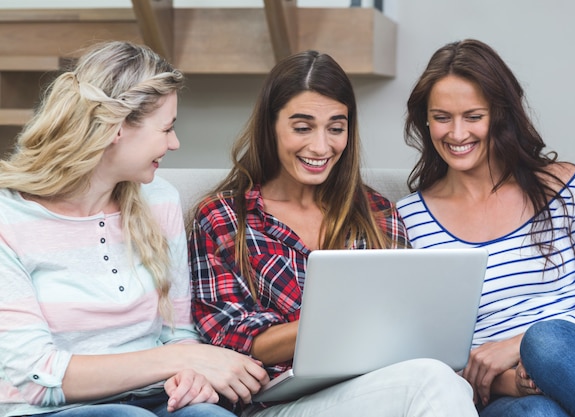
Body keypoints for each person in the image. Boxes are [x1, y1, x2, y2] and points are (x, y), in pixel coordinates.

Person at [188, 49, 478, 417]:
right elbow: (231, 338)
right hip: (279, 402)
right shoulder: (225, 218)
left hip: (377, 385)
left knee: (441, 378)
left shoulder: (375, 213)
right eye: (302, 127)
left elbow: (409, 326)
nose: (321, 147)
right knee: (432, 380)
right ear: (270, 126)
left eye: (336, 128)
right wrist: (351, 318)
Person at [0, 40, 269, 417]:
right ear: (116, 129)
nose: (174, 144)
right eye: (166, 128)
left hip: (152, 398)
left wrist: (188, 375)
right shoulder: (9, 218)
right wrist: (180, 358)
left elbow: (178, 332)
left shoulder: (158, 199)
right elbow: (37, 378)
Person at [396, 38, 575, 417]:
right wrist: (509, 381)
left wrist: (522, 346)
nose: (456, 134)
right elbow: (432, 352)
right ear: (425, 119)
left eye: (473, 116)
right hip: (507, 394)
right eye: (441, 117)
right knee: (538, 414)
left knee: (546, 341)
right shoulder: (408, 222)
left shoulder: (563, 185)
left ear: (500, 115)